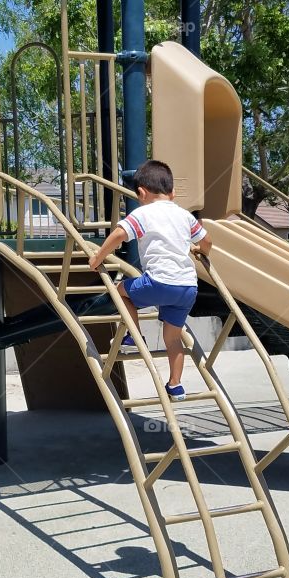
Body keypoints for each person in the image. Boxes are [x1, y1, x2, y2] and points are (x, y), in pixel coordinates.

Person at [88, 159, 211, 400]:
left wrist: (98, 257)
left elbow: (119, 234)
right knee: (173, 339)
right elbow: (206, 241)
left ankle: (133, 336)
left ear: (141, 193)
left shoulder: (142, 214)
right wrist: (201, 253)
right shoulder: (184, 215)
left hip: (159, 282)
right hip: (187, 287)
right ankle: (176, 385)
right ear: (173, 192)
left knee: (119, 290)